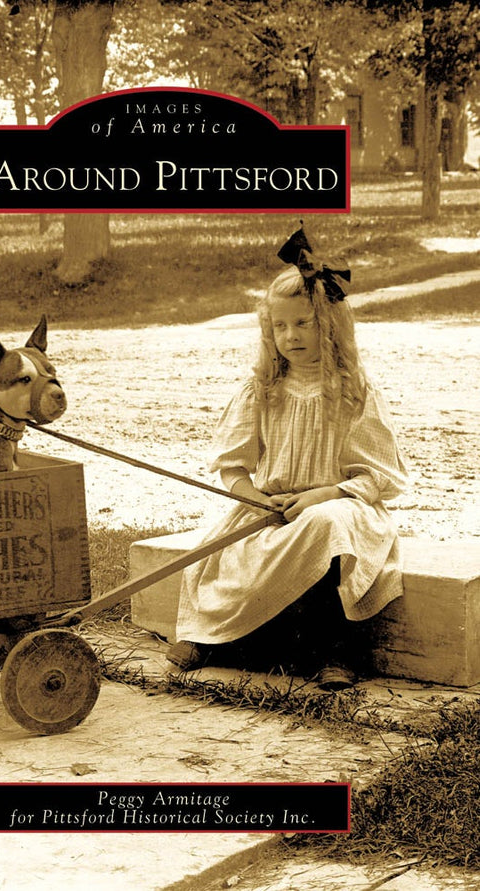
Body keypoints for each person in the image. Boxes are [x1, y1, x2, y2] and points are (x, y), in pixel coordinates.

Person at [166, 225, 408, 689]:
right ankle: (211, 638)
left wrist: (322, 495)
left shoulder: (354, 393)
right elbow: (232, 466)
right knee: (223, 550)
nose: (290, 336)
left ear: (330, 326)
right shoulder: (263, 389)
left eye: (303, 323)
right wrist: (255, 498)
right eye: (280, 326)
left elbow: (377, 476)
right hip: (270, 506)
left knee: (325, 528)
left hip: (339, 505)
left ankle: (336, 651)